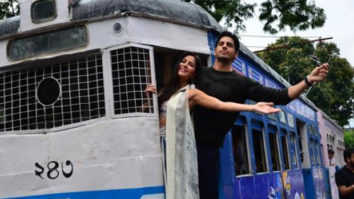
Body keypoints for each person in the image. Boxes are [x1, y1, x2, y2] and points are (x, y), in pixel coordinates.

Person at [193, 31, 329, 199]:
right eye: (221, 44)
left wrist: (308, 80)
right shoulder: (199, 73)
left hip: (209, 149)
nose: (224, 46)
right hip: (184, 141)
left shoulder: (241, 83)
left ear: (235, 54)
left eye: (229, 45)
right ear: (215, 50)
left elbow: (281, 96)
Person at [145, 52, 281, 199]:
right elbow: (147, 113)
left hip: (173, 144)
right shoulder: (164, 91)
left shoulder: (192, 93)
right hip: (154, 142)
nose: (184, 65)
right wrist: (150, 97)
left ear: (193, 73)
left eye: (190, 65)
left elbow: (220, 104)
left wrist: (253, 107)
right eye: (183, 61)